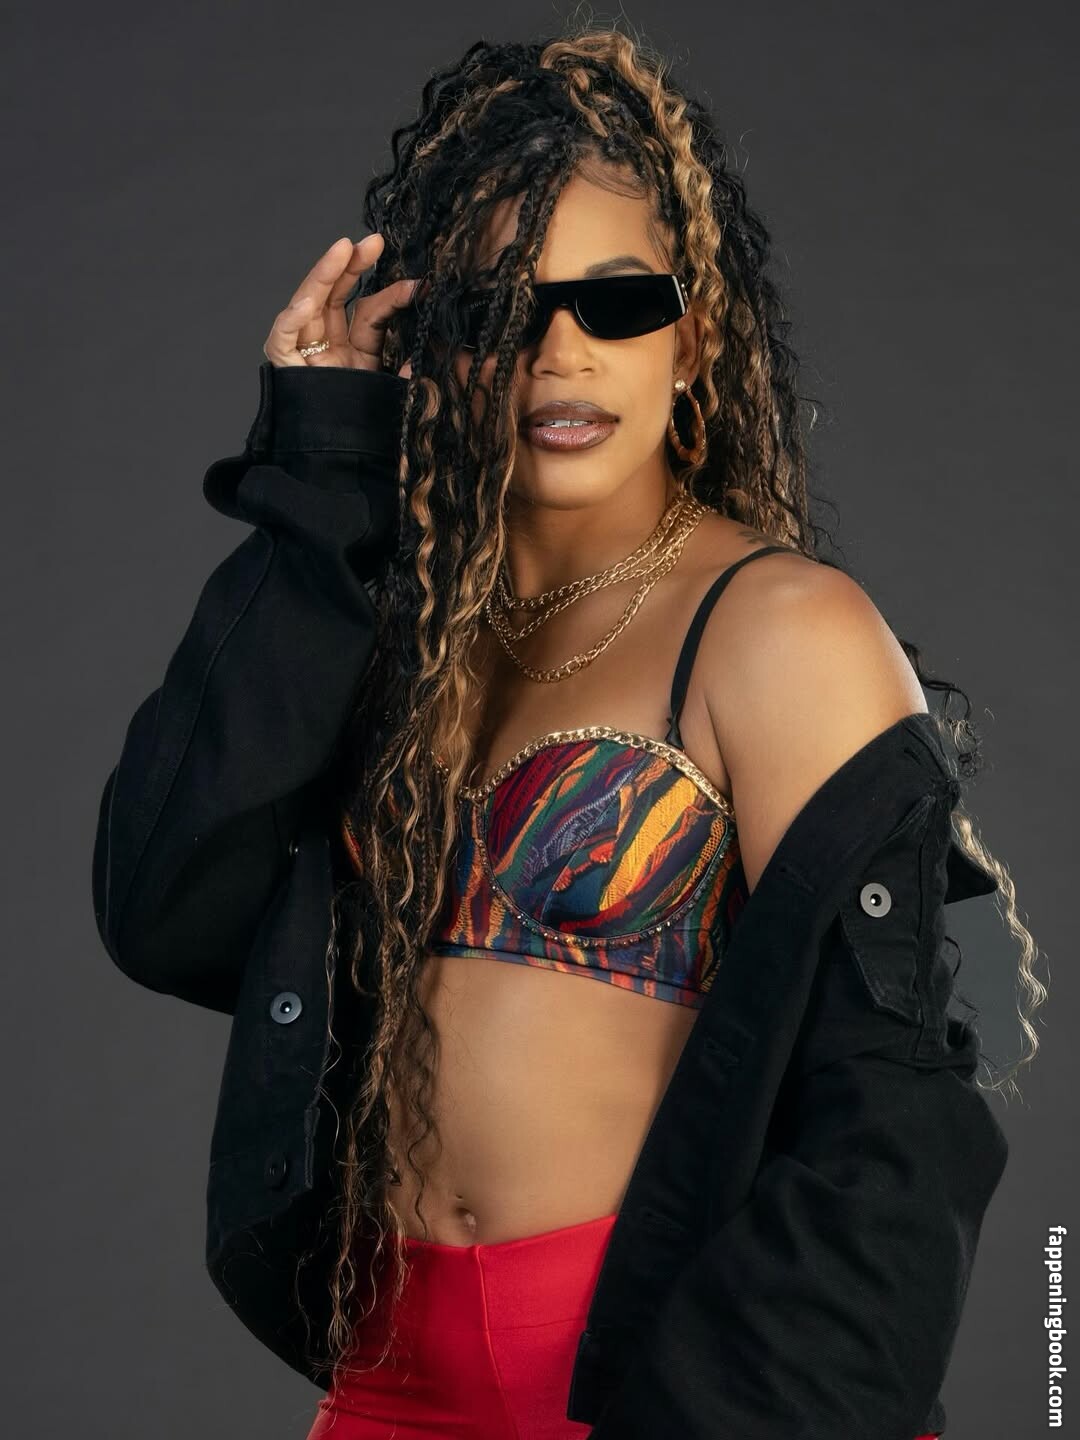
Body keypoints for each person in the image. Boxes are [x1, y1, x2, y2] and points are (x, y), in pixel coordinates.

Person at [92, 23, 1043, 1440]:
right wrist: (320, 479)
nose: (559, 353)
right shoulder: (393, 628)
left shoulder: (777, 629)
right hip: (389, 1381)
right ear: (437, 346)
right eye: (497, 309)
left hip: (668, 1386)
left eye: (618, 302)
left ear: (693, 339)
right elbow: (165, 907)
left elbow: (894, 1113)